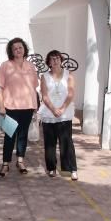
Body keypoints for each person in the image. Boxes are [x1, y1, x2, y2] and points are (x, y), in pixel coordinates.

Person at [0, 37, 39, 177]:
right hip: (10, 107)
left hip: (27, 106)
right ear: (11, 51)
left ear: (24, 49)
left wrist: (35, 106)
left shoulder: (30, 66)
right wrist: (1, 106)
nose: (18, 50)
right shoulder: (5, 66)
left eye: (20, 47)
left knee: (23, 136)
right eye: (15, 48)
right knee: (10, 136)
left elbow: (33, 87)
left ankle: (20, 161)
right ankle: (5, 164)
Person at [38, 50, 78, 180]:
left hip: (64, 113)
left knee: (66, 141)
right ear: (48, 62)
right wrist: (53, 109)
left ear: (61, 60)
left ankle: (70, 169)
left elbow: (71, 94)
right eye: (52, 59)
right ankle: (51, 168)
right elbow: (44, 95)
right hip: (49, 113)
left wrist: (62, 108)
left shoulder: (69, 75)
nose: (55, 61)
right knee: (50, 143)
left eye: (57, 58)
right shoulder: (44, 76)